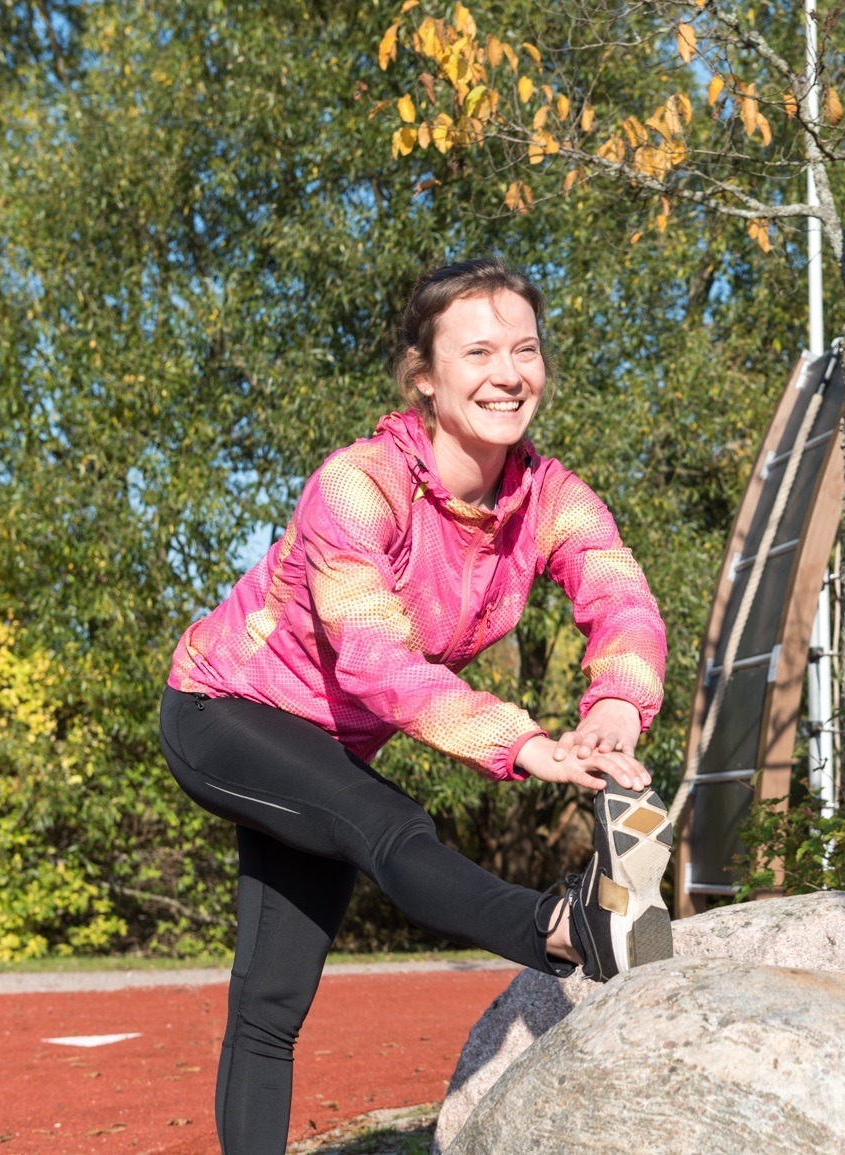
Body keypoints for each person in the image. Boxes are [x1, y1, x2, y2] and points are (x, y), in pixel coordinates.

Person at [157, 258, 672, 1154]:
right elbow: (377, 661)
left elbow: (620, 594)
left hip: (327, 750)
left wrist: (616, 707)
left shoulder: (548, 498)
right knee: (391, 826)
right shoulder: (359, 484)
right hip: (223, 710)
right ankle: (569, 928)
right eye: (478, 352)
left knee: (271, 1002)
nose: (508, 373)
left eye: (525, 350)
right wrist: (526, 743)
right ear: (424, 376)